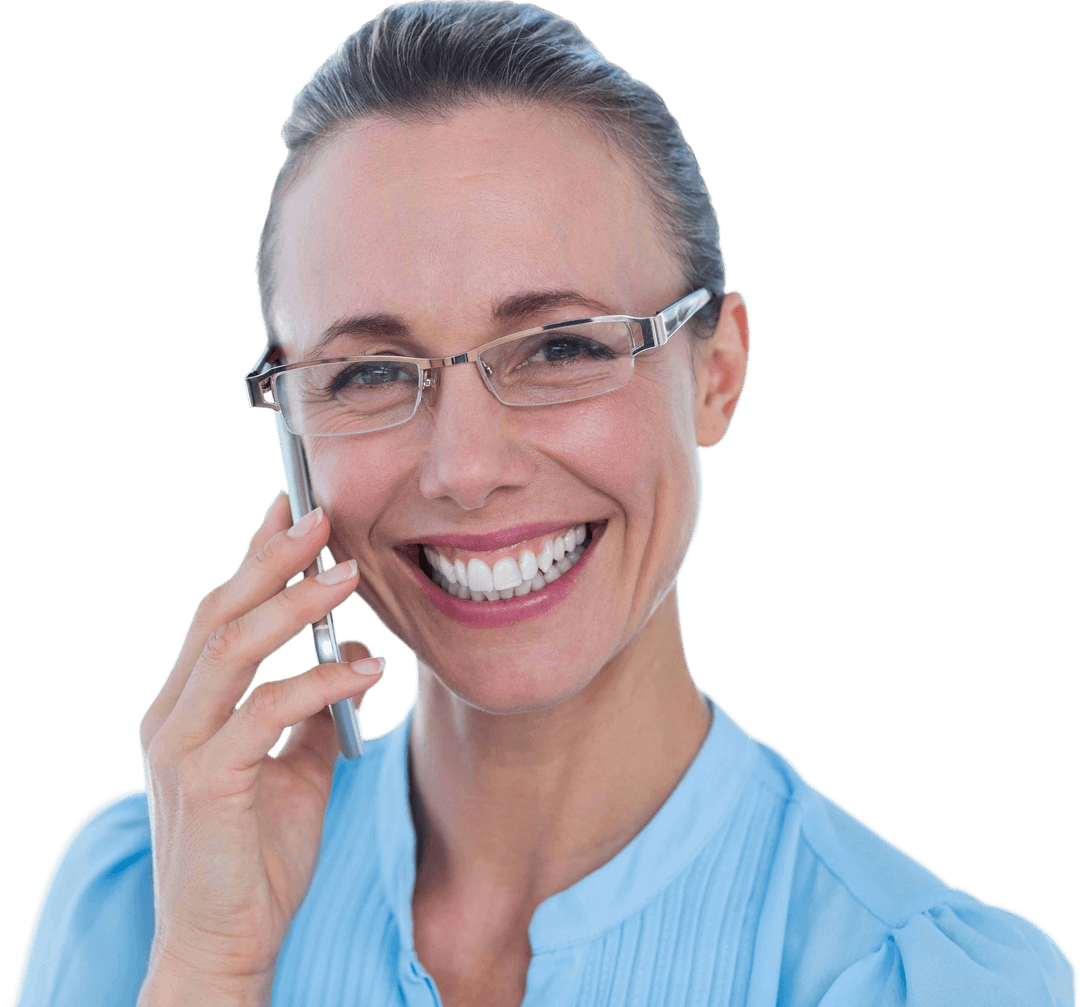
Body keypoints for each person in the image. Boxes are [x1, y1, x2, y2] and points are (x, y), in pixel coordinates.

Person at [10, 3, 1075, 1005]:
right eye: (370, 372)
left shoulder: (917, 977)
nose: (464, 468)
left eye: (563, 346)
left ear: (719, 371)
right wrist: (207, 966)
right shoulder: (147, 903)